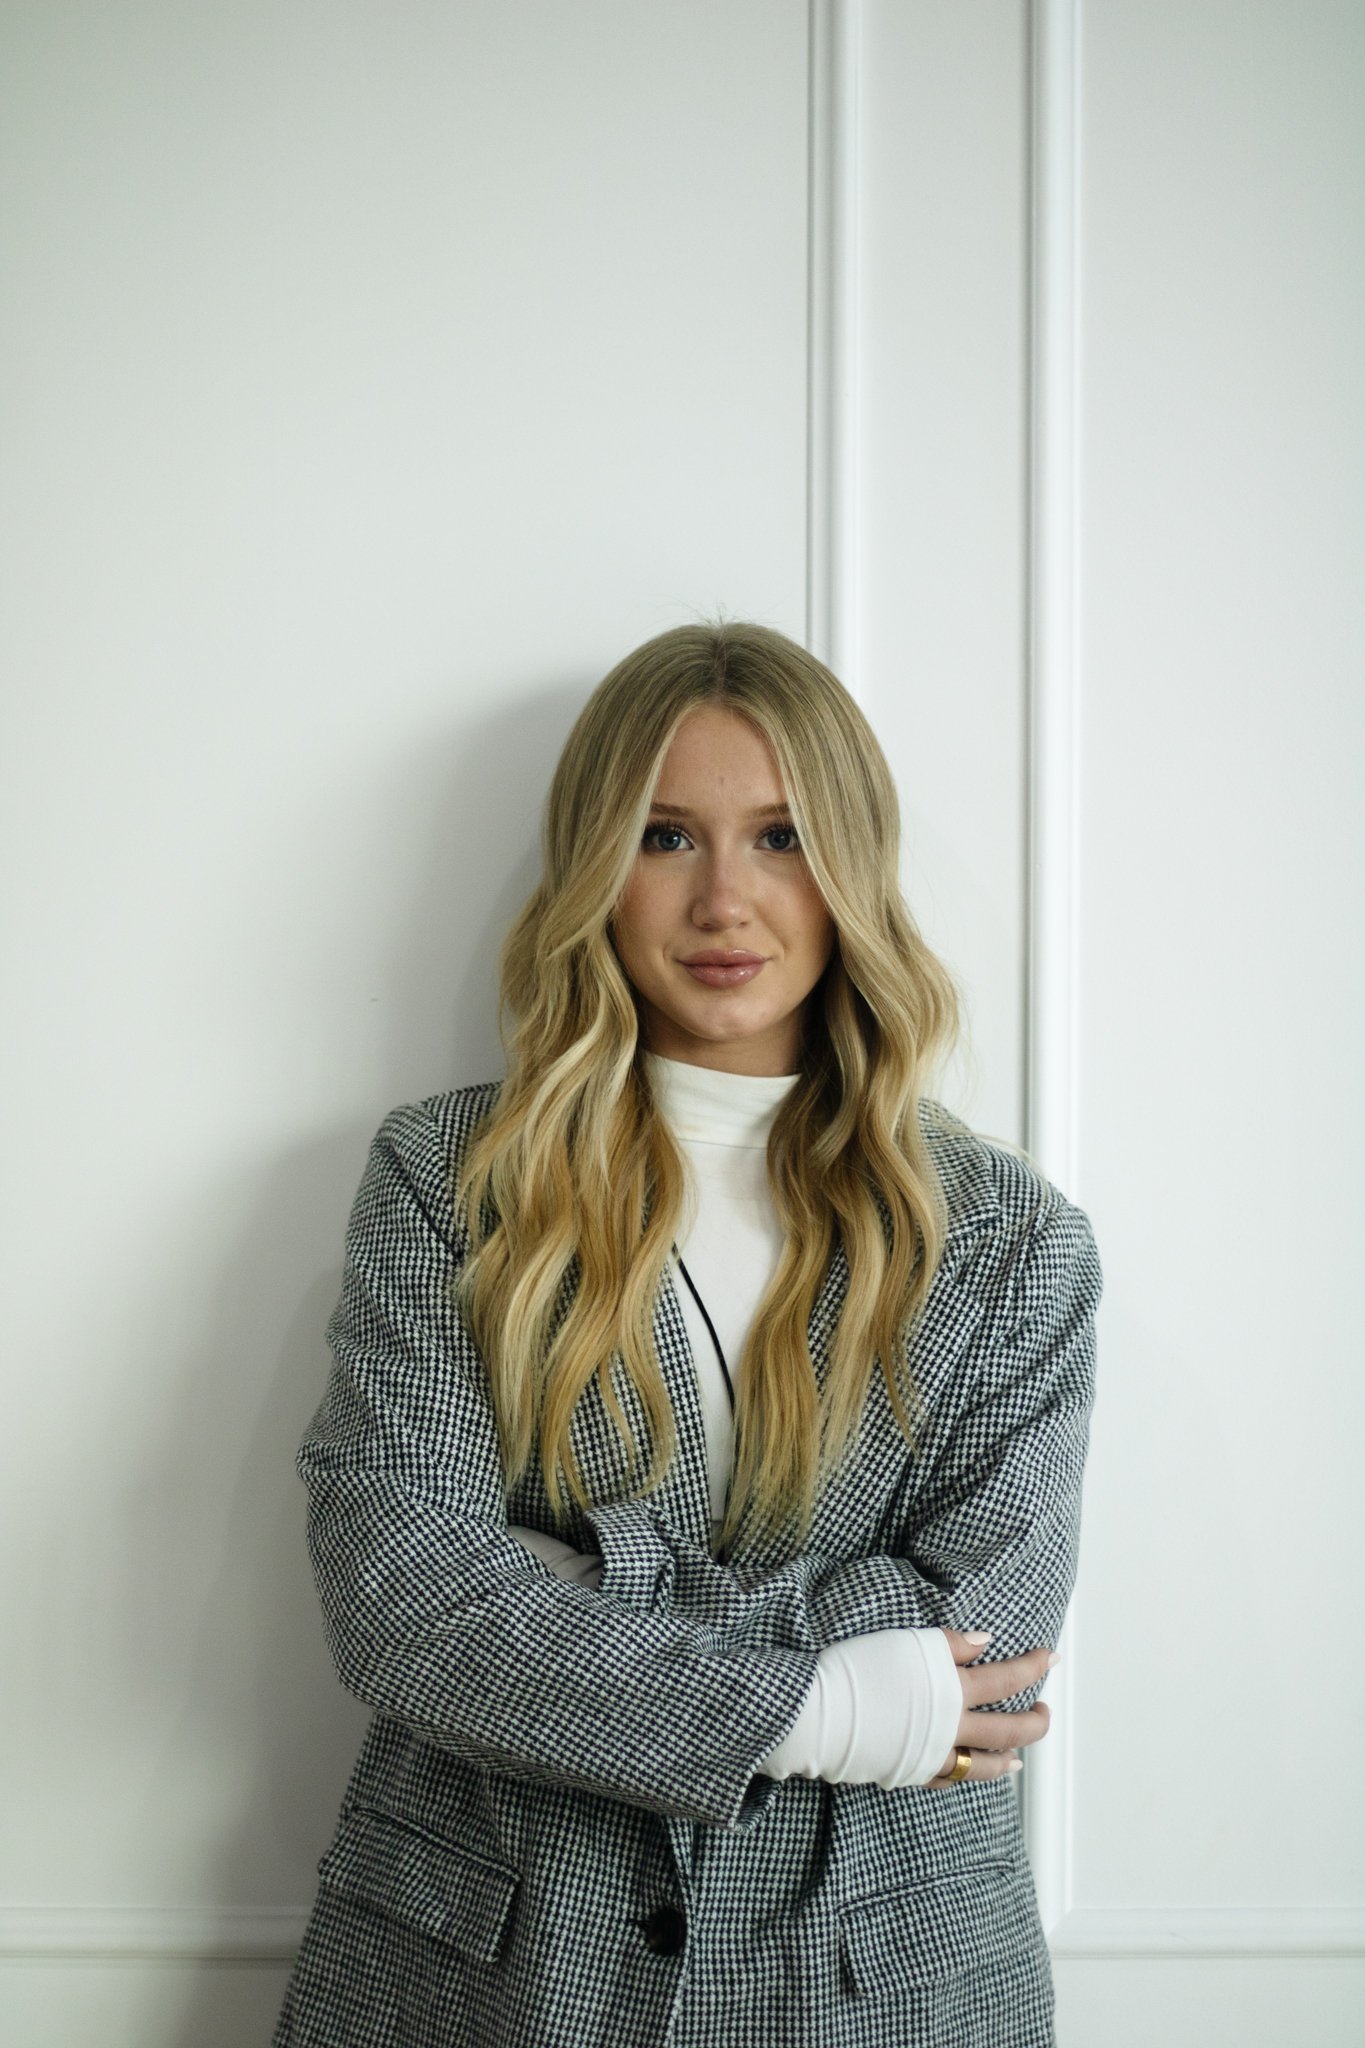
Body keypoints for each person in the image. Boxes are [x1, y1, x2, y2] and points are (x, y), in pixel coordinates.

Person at [272, 619, 1103, 2048]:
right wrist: (837, 1702)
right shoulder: (446, 1183)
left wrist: (564, 1597)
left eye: (779, 838)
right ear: (596, 867)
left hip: (877, 1988)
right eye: (665, 837)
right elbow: (405, 1603)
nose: (725, 898)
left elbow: (984, 1650)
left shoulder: (1014, 1243)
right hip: (492, 1980)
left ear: (850, 868)